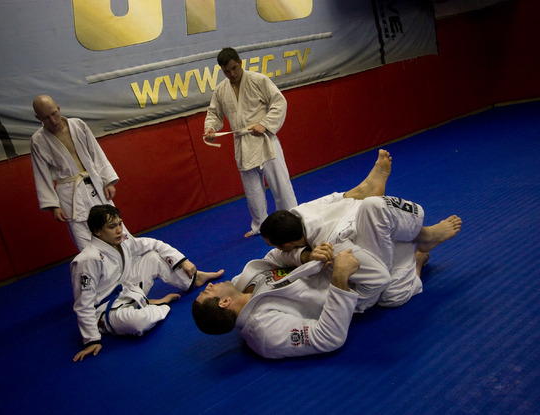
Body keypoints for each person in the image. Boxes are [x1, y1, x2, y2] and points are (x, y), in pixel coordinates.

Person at [192, 150, 462, 358]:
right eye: (207, 292)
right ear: (224, 303)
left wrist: (306, 257)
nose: (210, 285)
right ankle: (419, 249)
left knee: (358, 210)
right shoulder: (264, 332)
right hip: (354, 282)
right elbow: (327, 337)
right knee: (388, 277)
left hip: (330, 261)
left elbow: (275, 257)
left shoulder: (242, 281)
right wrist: (340, 279)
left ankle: (360, 197)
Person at [71, 204, 224, 362]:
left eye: (120, 224)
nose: (119, 230)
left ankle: (192, 279)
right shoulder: (87, 261)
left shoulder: (121, 241)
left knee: (153, 257)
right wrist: (92, 340)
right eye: (112, 227)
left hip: (126, 291)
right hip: (106, 309)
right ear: (97, 231)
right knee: (138, 323)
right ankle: (157, 305)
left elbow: (155, 244)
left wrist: (182, 261)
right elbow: (83, 304)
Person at [204, 47, 297, 238]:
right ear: (222, 70)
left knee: (280, 184)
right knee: (252, 190)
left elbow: (279, 102)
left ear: (240, 62)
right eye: (227, 71)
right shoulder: (221, 90)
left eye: (234, 68)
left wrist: (265, 124)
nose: (232, 74)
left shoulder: (258, 80)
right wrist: (211, 128)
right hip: (242, 144)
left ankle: (292, 219)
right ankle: (260, 225)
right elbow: (214, 113)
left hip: (264, 140)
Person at [30, 95, 119, 251]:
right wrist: (53, 206)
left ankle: (126, 262)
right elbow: (41, 174)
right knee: (85, 240)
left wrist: (108, 181)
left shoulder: (78, 125)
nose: (53, 120)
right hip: (70, 193)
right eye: (46, 118)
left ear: (58, 108)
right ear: (38, 118)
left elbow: (96, 152)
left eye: (54, 114)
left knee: (112, 225)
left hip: (95, 184)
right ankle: (95, 265)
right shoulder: (38, 140)